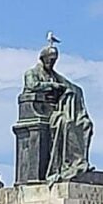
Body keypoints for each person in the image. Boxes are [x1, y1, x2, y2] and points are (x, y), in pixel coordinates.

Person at [22, 40, 93, 183]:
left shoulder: (55, 74)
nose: (52, 63)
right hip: (39, 111)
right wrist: (51, 85)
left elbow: (71, 86)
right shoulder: (32, 73)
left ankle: (78, 163)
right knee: (65, 122)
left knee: (84, 123)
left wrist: (74, 90)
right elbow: (32, 85)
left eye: (54, 60)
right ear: (43, 58)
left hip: (54, 111)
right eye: (50, 60)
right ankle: (66, 164)